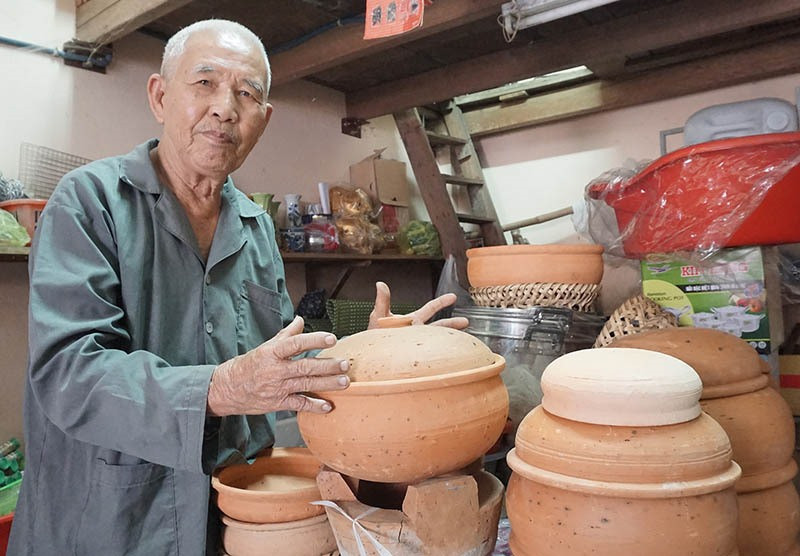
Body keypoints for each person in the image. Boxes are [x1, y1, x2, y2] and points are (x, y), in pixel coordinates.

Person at [8, 19, 466, 555]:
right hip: (106, 524)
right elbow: (69, 374)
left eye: (246, 94)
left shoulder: (255, 228)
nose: (225, 107)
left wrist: (370, 354)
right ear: (159, 96)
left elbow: (279, 377)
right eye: (204, 83)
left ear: (263, 119)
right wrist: (220, 388)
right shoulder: (88, 203)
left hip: (227, 521)